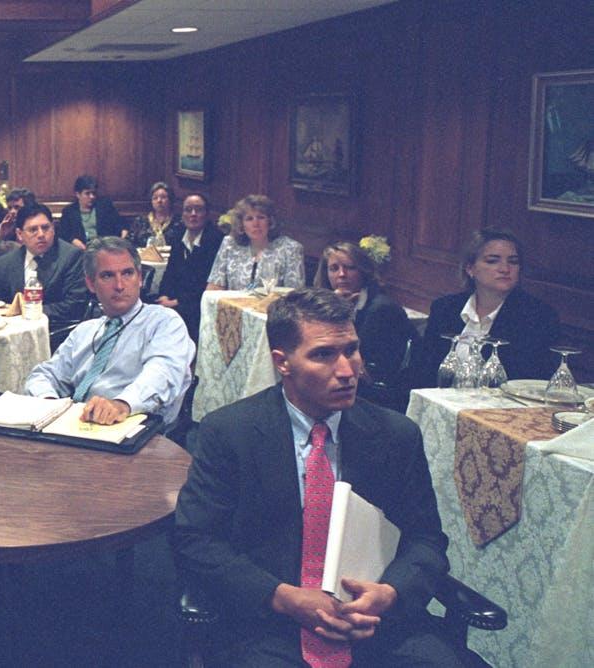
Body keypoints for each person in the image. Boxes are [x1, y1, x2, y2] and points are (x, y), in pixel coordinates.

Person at [172, 288, 462, 667]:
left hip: (376, 621)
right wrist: (282, 597)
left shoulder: (396, 435)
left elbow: (426, 539)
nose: (347, 370)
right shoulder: (230, 432)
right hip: (269, 622)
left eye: (351, 350)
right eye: (323, 355)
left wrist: (390, 593)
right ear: (282, 362)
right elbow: (196, 539)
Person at [25, 237, 194, 426]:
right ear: (90, 284)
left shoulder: (164, 322)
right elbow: (44, 375)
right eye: (107, 276)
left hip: (135, 426)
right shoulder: (85, 331)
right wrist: (49, 404)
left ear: (139, 278)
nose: (119, 285)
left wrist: (122, 404)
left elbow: (162, 374)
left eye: (127, 273)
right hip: (76, 424)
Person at [408, 228, 559, 387]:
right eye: (492, 261)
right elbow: (423, 369)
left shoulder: (537, 316)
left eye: (513, 262)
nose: (505, 269)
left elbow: (528, 380)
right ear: (470, 268)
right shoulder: (445, 308)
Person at [313, 241, 414, 410]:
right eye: (334, 268)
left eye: (350, 268)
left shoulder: (380, 308)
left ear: (363, 271)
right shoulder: (328, 302)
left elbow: (363, 364)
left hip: (377, 395)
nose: (342, 274)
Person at [0, 203, 91, 333]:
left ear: (53, 229)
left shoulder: (72, 257)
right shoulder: (4, 263)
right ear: (19, 234)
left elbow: (75, 305)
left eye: (45, 228)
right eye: (33, 230)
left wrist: (28, 312)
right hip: (11, 333)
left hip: (55, 332)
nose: (41, 234)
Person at [155, 193, 225, 341]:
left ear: (207, 214)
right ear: (182, 214)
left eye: (198, 210)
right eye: (188, 210)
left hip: (198, 305)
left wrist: (176, 303)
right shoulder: (178, 235)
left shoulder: (216, 239)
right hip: (173, 300)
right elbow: (170, 272)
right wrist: (163, 296)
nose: (193, 214)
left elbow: (206, 283)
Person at [206, 194, 305, 291]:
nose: (256, 224)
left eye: (261, 217)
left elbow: (295, 294)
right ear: (241, 224)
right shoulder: (230, 244)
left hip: (273, 302)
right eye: (249, 219)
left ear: (271, 221)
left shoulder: (290, 249)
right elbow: (214, 287)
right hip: (232, 302)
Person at [56, 175, 126, 250]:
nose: (92, 196)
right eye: (87, 193)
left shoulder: (105, 207)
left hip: (104, 248)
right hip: (81, 250)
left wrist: (120, 241)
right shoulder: (69, 211)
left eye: (93, 193)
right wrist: (75, 242)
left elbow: (121, 225)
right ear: (78, 194)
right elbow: (64, 234)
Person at [126, 181, 184, 249]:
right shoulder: (140, 221)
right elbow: (129, 244)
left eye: (163, 197)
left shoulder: (179, 222)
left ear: (170, 199)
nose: (159, 201)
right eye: (155, 198)